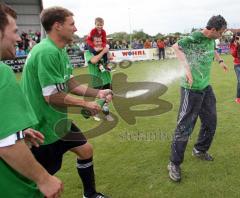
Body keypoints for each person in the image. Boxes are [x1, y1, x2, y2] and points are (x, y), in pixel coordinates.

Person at [20, 6, 112, 198]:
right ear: (57, 26)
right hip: (42, 126)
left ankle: (90, 194)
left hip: (57, 121)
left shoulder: (59, 50)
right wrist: (85, 104)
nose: (76, 29)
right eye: (72, 24)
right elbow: (51, 96)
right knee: (43, 181)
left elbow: (70, 83)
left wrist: (98, 93)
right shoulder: (47, 52)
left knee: (86, 150)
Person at [0, 3, 63, 198]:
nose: (19, 38)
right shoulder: (2, 73)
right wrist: (44, 179)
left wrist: (16, 130)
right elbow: (6, 144)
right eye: (14, 31)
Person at [168, 15, 228, 182]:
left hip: (205, 87)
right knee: (185, 126)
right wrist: (187, 70)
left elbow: (213, 50)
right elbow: (175, 46)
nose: (221, 35)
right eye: (221, 32)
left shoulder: (211, 40)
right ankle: (174, 163)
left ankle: (200, 150)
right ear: (213, 30)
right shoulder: (196, 36)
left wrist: (220, 60)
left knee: (211, 121)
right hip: (191, 89)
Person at [85, 36, 114, 122]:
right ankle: (95, 113)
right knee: (100, 98)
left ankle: (106, 113)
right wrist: (103, 51)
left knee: (108, 97)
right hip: (97, 80)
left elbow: (110, 59)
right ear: (92, 42)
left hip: (107, 78)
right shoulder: (88, 52)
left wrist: (107, 51)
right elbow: (94, 61)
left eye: (100, 41)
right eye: (96, 41)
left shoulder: (104, 50)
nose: (99, 43)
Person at [230, 32, 240, 103]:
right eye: (237, 37)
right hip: (237, 64)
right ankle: (238, 97)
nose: (238, 39)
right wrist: (237, 46)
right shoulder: (233, 44)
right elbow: (233, 55)